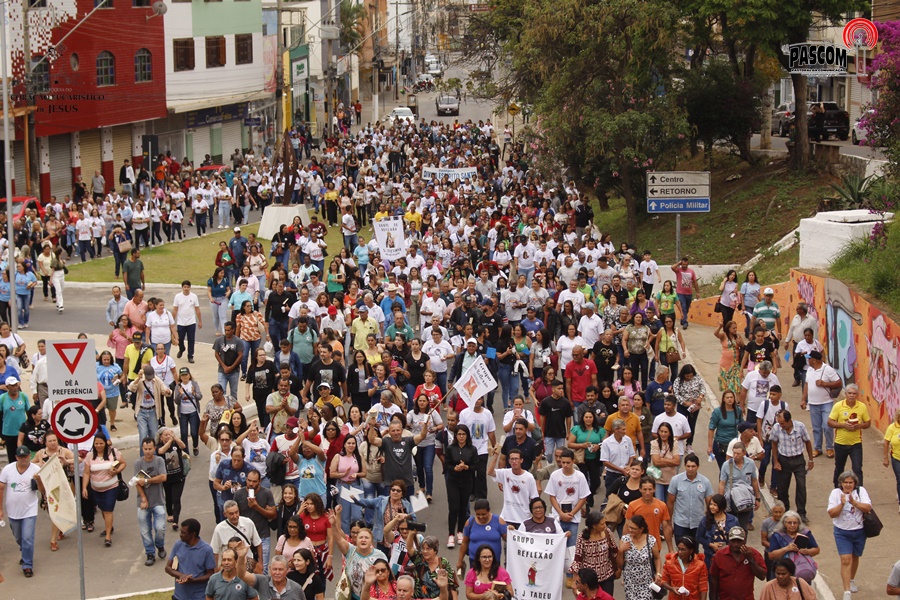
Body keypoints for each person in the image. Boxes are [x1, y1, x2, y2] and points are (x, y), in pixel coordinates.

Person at [547, 448, 590, 584]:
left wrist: (572, 513)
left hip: (573, 518)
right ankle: (553, 576)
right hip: (558, 517)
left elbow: (583, 497)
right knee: (556, 546)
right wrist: (560, 513)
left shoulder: (580, 476)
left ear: (573, 462)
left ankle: (570, 575)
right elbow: (552, 496)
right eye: (562, 462)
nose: (564, 465)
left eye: (567, 462)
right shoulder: (555, 475)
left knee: (571, 548)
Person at [827, 471, 872, 600]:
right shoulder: (835, 493)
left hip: (859, 531)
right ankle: (847, 591)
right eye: (845, 482)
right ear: (841, 483)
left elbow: (868, 508)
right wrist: (841, 504)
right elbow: (831, 514)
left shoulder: (861, 491)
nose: (848, 485)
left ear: (855, 483)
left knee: (855, 556)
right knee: (845, 559)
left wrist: (854, 502)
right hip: (842, 532)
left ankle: (851, 579)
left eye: (850, 482)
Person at [0, 445, 43, 577]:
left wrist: (39, 480)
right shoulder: (8, 469)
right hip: (13, 511)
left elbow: (42, 490)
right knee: (19, 536)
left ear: (29, 456)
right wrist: (0, 509)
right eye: (20, 456)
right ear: (16, 457)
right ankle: (25, 551)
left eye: (25, 456)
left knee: (28, 537)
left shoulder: (36, 470)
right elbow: (1, 488)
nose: (23, 459)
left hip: (30, 510)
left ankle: (27, 564)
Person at [330, 508, 388, 600]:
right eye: (360, 537)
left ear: (371, 541)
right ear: (356, 540)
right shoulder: (350, 550)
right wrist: (333, 524)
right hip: (352, 596)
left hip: (372, 597)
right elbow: (339, 539)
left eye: (366, 538)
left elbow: (387, 577)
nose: (363, 540)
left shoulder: (380, 556)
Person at [82, 433, 126, 547]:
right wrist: (84, 488)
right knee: (103, 508)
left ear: (105, 443)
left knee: (108, 510)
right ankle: (109, 526)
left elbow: (123, 463)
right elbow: (86, 473)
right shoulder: (90, 456)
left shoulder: (113, 452)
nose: (98, 445)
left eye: (101, 443)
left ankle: (108, 536)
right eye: (96, 443)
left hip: (111, 487)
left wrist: (116, 471)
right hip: (96, 489)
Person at [770, 411, 814, 523]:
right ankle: (785, 512)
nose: (781, 426)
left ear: (789, 421)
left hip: (798, 460)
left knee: (801, 486)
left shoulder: (800, 427)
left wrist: (810, 459)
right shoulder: (776, 428)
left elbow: (807, 442)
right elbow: (774, 443)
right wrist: (776, 461)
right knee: (782, 488)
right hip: (783, 460)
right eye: (780, 423)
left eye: (783, 423)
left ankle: (801, 513)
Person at [234, 469, 277, 574]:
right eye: (249, 480)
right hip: (245, 537)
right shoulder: (239, 494)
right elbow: (235, 515)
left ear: (259, 481)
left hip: (262, 535)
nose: (251, 484)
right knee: (244, 569)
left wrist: (256, 507)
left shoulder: (266, 493)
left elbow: (273, 514)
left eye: (254, 481)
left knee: (263, 569)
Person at [134, 436, 168, 566]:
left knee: (160, 528)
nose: (148, 451)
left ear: (154, 448)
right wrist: (143, 498)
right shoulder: (138, 463)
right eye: (145, 449)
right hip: (143, 502)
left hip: (158, 500)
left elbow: (163, 477)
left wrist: (147, 480)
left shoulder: (159, 461)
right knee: (145, 530)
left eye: (150, 449)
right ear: (142, 449)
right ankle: (150, 553)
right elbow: (137, 482)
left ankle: (160, 544)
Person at [827, 383, 870, 487]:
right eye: (849, 393)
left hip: (856, 444)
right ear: (845, 394)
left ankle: (859, 490)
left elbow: (868, 423)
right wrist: (843, 425)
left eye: (854, 393)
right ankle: (837, 488)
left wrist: (859, 426)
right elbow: (830, 422)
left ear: (857, 395)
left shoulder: (862, 407)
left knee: (857, 469)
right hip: (840, 443)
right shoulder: (838, 406)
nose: (851, 395)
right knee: (839, 468)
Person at [708, 526, 766, 600]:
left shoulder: (753, 554)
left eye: (739, 541)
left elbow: (762, 576)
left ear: (745, 540)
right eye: (733, 541)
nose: (736, 544)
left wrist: (751, 560)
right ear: (729, 540)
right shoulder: (720, 555)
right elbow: (714, 579)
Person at [569, 511, 618, 597]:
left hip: (607, 576)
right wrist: (575, 581)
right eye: (602, 524)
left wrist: (618, 568)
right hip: (589, 581)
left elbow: (615, 551)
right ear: (594, 526)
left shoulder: (607, 532)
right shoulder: (582, 538)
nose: (605, 526)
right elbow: (577, 560)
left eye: (605, 523)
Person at [165, 518, 216, 600]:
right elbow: (168, 568)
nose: (180, 535)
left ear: (193, 534)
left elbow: (211, 574)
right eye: (181, 532)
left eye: (183, 533)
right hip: (179, 597)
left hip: (199, 597)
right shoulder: (178, 544)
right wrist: (181, 575)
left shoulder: (206, 550)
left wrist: (194, 580)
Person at [487, 446, 538, 528]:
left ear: (521, 460)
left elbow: (534, 498)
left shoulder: (529, 477)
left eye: (516, 459)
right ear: (509, 461)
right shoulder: (505, 473)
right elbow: (490, 472)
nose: (514, 461)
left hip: (523, 518)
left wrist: (535, 516)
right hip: (506, 517)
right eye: (512, 459)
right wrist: (496, 456)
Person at [765, 510, 820, 581]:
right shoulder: (777, 536)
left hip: (802, 570)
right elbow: (771, 556)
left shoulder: (805, 534)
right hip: (782, 573)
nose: (792, 525)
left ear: (799, 523)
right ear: (784, 523)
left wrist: (807, 551)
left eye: (795, 523)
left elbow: (816, 550)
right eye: (789, 523)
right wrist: (786, 549)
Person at [617, 514, 661, 600]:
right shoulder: (625, 540)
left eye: (633, 528)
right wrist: (620, 551)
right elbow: (620, 564)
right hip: (630, 582)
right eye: (629, 527)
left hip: (647, 581)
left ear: (641, 529)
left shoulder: (650, 540)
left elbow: (657, 558)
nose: (630, 530)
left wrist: (658, 573)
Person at [718, 442, 760, 531]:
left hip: (746, 500)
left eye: (738, 453)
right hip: (731, 499)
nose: (735, 456)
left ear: (744, 453)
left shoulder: (750, 463)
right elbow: (722, 483)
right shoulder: (727, 465)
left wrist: (757, 498)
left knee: (743, 527)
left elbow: (754, 481)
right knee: (730, 527)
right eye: (734, 453)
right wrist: (721, 501)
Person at [236, 549, 306, 600]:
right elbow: (242, 575)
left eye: (280, 569)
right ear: (270, 569)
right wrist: (241, 557)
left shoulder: (296, 589)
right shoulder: (262, 581)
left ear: (287, 570)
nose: (277, 573)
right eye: (274, 569)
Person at [210, 500, 263, 567]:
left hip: (247, 565)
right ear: (225, 514)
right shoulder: (219, 529)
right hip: (229, 567)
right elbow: (215, 551)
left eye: (236, 512)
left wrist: (261, 563)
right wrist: (216, 570)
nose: (235, 516)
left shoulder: (248, 523)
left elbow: (258, 543)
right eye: (231, 514)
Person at [406, 535, 457, 600]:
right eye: (423, 548)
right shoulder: (419, 559)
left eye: (428, 549)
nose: (425, 551)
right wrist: (411, 533)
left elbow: (452, 585)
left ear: (435, 550)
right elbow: (409, 548)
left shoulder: (443, 562)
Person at [695, 494, 739, 570]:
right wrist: (711, 545)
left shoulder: (733, 520)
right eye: (711, 504)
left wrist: (730, 547)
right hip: (710, 556)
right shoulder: (705, 520)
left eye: (715, 505)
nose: (711, 507)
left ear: (722, 506)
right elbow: (699, 537)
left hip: (729, 556)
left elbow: (739, 538)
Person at [659, 536, 708, 600]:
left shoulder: (700, 565)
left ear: (691, 550)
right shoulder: (670, 563)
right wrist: (671, 588)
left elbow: (703, 586)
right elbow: (664, 581)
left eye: (683, 550)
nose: (679, 552)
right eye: (678, 549)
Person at [172, 280, 203, 363]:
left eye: (188, 287)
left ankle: (190, 356)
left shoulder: (194, 296)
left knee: (191, 339)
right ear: (182, 287)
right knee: (180, 338)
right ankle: (181, 349)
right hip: (181, 322)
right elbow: (175, 309)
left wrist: (200, 321)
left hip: (191, 322)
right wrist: (172, 322)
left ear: (190, 287)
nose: (186, 289)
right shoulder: (178, 297)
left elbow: (197, 309)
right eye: (185, 287)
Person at [214, 322, 244, 399]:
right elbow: (216, 354)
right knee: (222, 391)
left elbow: (240, 355)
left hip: (234, 371)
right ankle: (224, 405)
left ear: (233, 330)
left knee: (233, 392)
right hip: (222, 370)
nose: (226, 332)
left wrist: (232, 367)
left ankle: (233, 406)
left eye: (228, 330)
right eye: (225, 330)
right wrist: (224, 366)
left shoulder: (238, 341)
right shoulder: (219, 340)